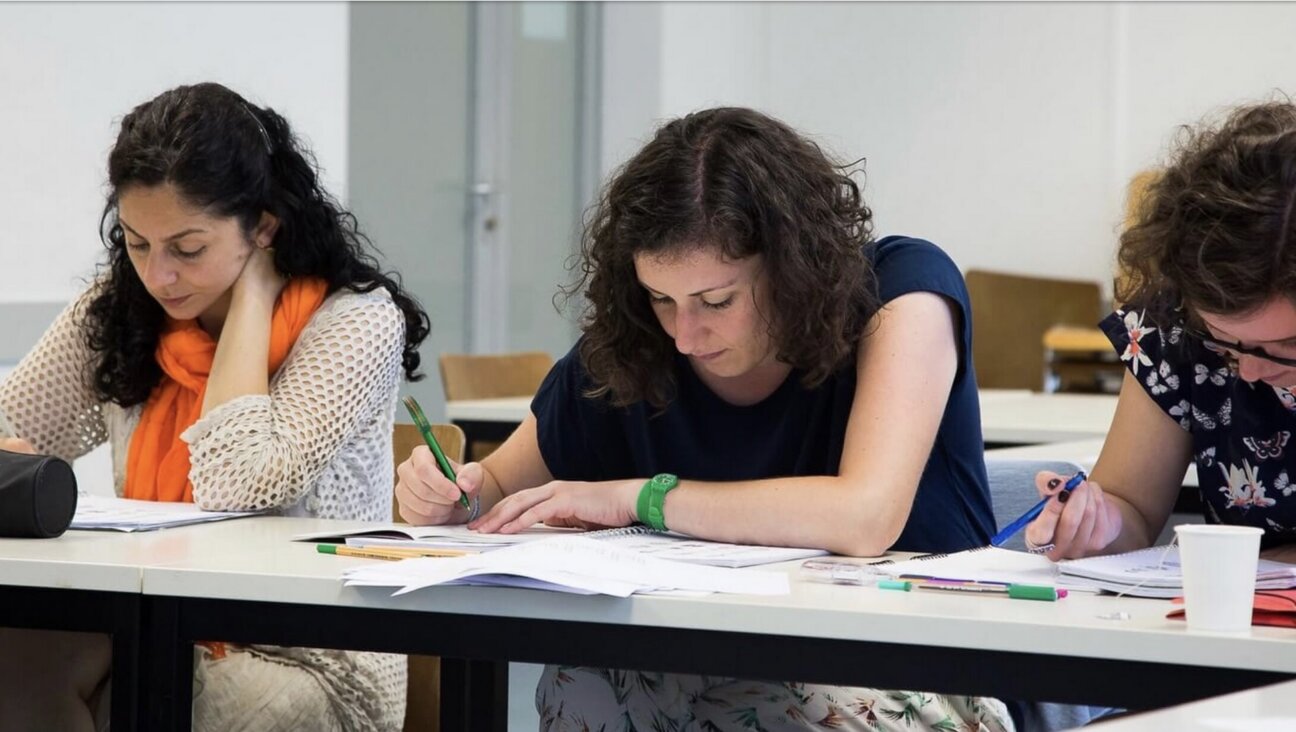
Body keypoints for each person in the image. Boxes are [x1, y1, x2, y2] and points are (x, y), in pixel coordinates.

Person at [397, 107, 1013, 731]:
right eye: (661, 298)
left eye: (716, 300)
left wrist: (644, 498)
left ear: (793, 265)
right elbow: (501, 486)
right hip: (703, 661)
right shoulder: (634, 344)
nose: (685, 335)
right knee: (582, 679)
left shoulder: (902, 293)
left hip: (917, 670)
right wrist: (457, 501)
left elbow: (865, 517)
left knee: (761, 709)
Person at [0, 82, 429, 732]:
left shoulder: (353, 322)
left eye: (187, 249)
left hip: (314, 662)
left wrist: (254, 297)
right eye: (138, 243)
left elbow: (233, 484)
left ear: (263, 225)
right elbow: (12, 424)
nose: (158, 275)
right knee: (15, 655)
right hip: (152, 619)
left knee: (92, 688)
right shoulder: (122, 311)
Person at [1024, 99, 1296, 565]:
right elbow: (1131, 505)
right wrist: (1096, 526)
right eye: (1227, 342)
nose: (1249, 370)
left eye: (1287, 346)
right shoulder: (1175, 329)